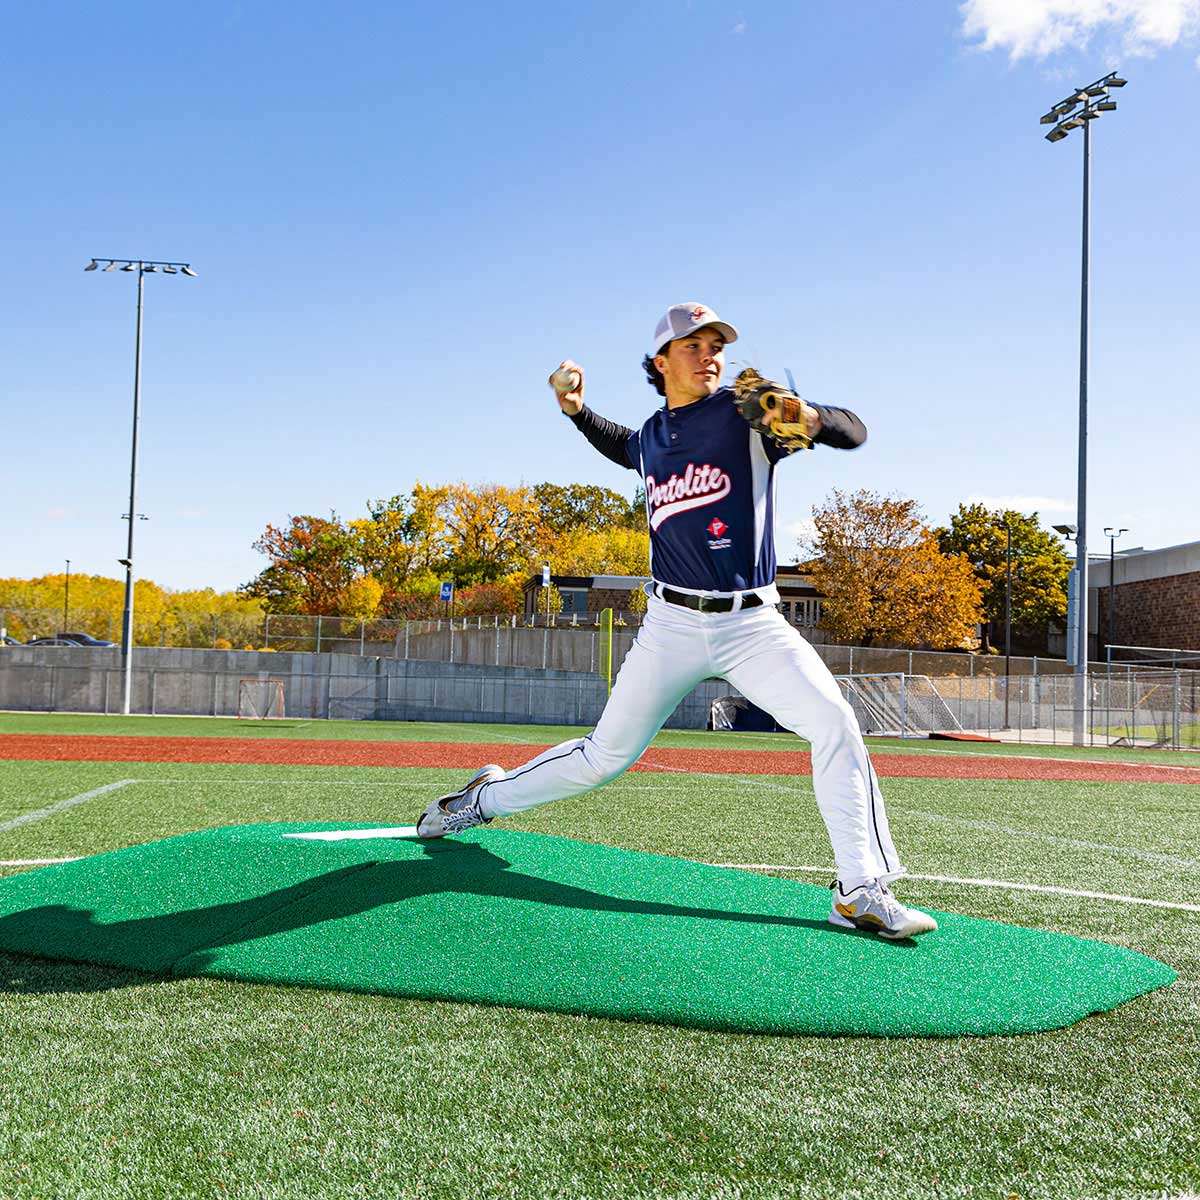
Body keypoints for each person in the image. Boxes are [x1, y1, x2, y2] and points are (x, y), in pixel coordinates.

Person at [417, 302, 936, 940]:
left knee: (834, 724)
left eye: (716, 343)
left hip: (753, 625)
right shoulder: (652, 435)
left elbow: (853, 432)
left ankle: (860, 890)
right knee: (603, 757)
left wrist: (808, 417)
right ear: (661, 362)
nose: (709, 353)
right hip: (670, 625)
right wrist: (576, 410)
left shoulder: (746, 416)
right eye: (693, 344)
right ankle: (481, 799)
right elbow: (623, 446)